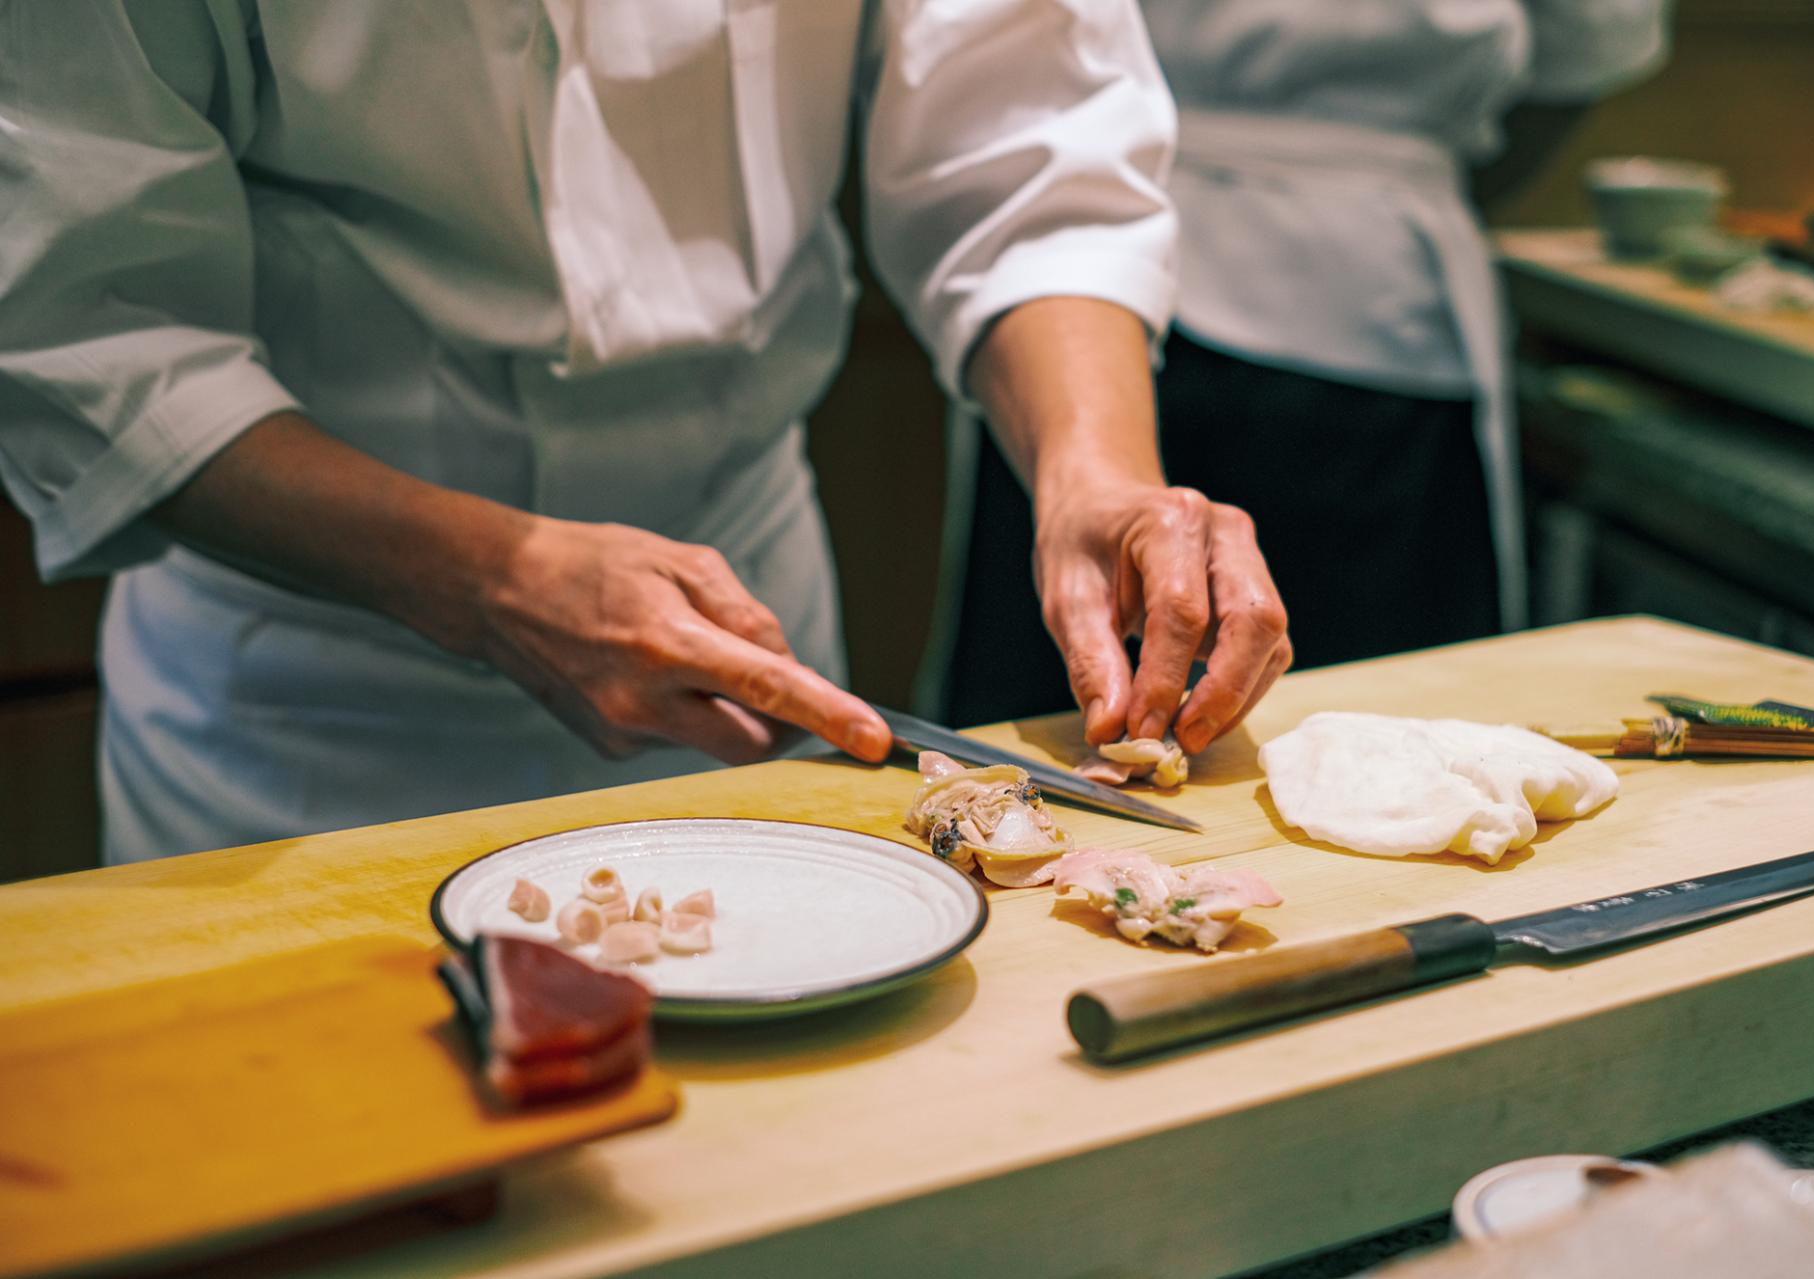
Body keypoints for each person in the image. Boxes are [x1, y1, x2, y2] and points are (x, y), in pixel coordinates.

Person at [0, 3, 1289, 863]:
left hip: (750, 636)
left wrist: (1095, 474)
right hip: (313, 701)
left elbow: (1025, 138)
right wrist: (487, 578)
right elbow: (88, 328)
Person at [935, 0, 1667, 727]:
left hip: (1327, 294)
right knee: (1031, 738)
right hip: (1084, 312)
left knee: (1396, 736)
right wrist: (1091, 484)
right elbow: (1591, 39)